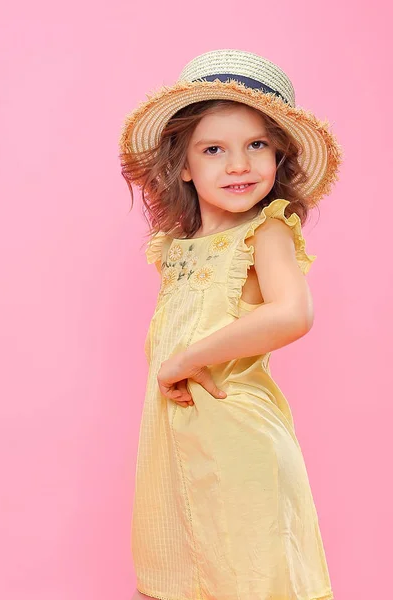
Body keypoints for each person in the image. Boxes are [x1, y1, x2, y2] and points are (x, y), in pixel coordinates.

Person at [119, 48, 343, 600]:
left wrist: (187, 360)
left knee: (247, 574)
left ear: (279, 160)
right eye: (214, 149)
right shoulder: (174, 247)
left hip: (238, 438)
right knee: (178, 572)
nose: (238, 164)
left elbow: (292, 312)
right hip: (173, 441)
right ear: (184, 165)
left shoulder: (265, 232)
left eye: (257, 146)